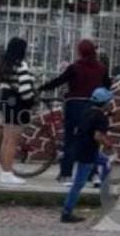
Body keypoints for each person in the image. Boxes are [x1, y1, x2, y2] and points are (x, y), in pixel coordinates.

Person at [37, 39, 110, 183]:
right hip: (93, 107)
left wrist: (41, 88)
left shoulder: (75, 67)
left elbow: (59, 81)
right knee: (91, 141)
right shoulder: (102, 69)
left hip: (74, 106)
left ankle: (66, 175)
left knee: (71, 140)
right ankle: (93, 175)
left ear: (80, 52)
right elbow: (107, 87)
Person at [59, 88, 114, 224]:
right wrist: (108, 144)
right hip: (87, 153)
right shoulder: (101, 118)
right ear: (104, 103)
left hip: (80, 148)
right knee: (78, 184)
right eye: (110, 101)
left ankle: (105, 195)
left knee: (105, 162)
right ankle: (66, 212)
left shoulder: (87, 111)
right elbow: (98, 135)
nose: (111, 103)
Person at [0, 37, 35, 186]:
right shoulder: (21, 65)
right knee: (12, 141)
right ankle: (8, 173)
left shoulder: (5, 64)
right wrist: (32, 100)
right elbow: (25, 90)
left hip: (6, 101)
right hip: (18, 104)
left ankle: (5, 171)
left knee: (6, 140)